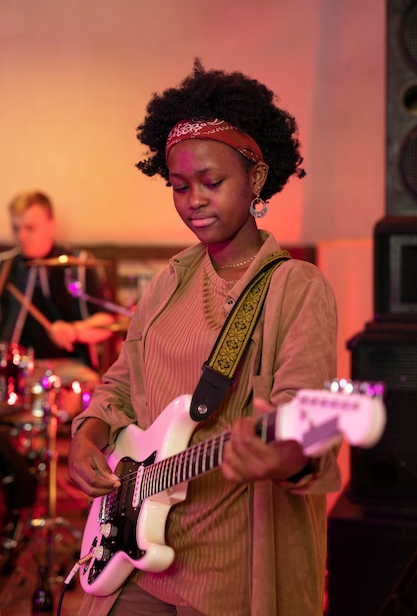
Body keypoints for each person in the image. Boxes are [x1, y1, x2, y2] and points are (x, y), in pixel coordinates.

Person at [68, 59, 340, 616]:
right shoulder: (166, 283)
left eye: (212, 183)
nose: (194, 200)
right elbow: (120, 384)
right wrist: (87, 435)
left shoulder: (297, 288)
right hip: (137, 552)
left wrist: (281, 454)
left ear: (256, 179)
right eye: (180, 186)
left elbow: (304, 420)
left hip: (233, 571)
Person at [0, 190, 115, 388]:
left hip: (66, 368)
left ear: (51, 226)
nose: (22, 236)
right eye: (16, 228)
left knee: (91, 388)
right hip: (14, 370)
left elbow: (106, 323)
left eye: (30, 228)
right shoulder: (4, 267)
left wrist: (73, 331)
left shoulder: (78, 265)